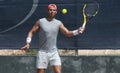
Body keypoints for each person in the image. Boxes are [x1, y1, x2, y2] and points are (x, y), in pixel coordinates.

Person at [21, 4, 85, 73]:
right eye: (50, 10)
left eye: (53, 10)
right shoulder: (41, 22)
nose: (52, 11)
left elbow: (67, 33)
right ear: (48, 11)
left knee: (58, 71)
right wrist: (28, 43)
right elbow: (31, 32)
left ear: (56, 12)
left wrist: (77, 31)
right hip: (42, 52)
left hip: (54, 52)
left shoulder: (58, 23)